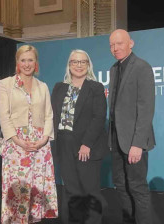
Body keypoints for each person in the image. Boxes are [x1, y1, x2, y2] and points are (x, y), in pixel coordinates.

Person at [0, 45, 58, 223]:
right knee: (17, 192)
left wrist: (43, 140)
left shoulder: (43, 86)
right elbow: (4, 115)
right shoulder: (5, 84)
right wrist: (18, 141)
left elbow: (49, 115)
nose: (27, 64)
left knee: (36, 190)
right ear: (17, 62)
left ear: (36, 62)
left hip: (40, 146)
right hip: (16, 146)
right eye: (23, 60)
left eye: (30, 60)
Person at [51, 49, 108, 224]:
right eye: (75, 62)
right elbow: (51, 116)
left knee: (90, 192)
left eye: (83, 62)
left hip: (86, 147)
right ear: (69, 65)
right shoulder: (59, 87)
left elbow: (99, 117)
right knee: (72, 192)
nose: (79, 65)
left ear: (88, 65)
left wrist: (86, 144)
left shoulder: (95, 87)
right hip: (64, 145)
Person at [108, 29, 156, 224]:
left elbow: (146, 109)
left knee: (137, 188)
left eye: (119, 43)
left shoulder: (142, 67)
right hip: (116, 141)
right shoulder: (114, 69)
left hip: (134, 142)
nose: (115, 48)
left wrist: (137, 144)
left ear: (131, 43)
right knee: (121, 186)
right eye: (111, 45)